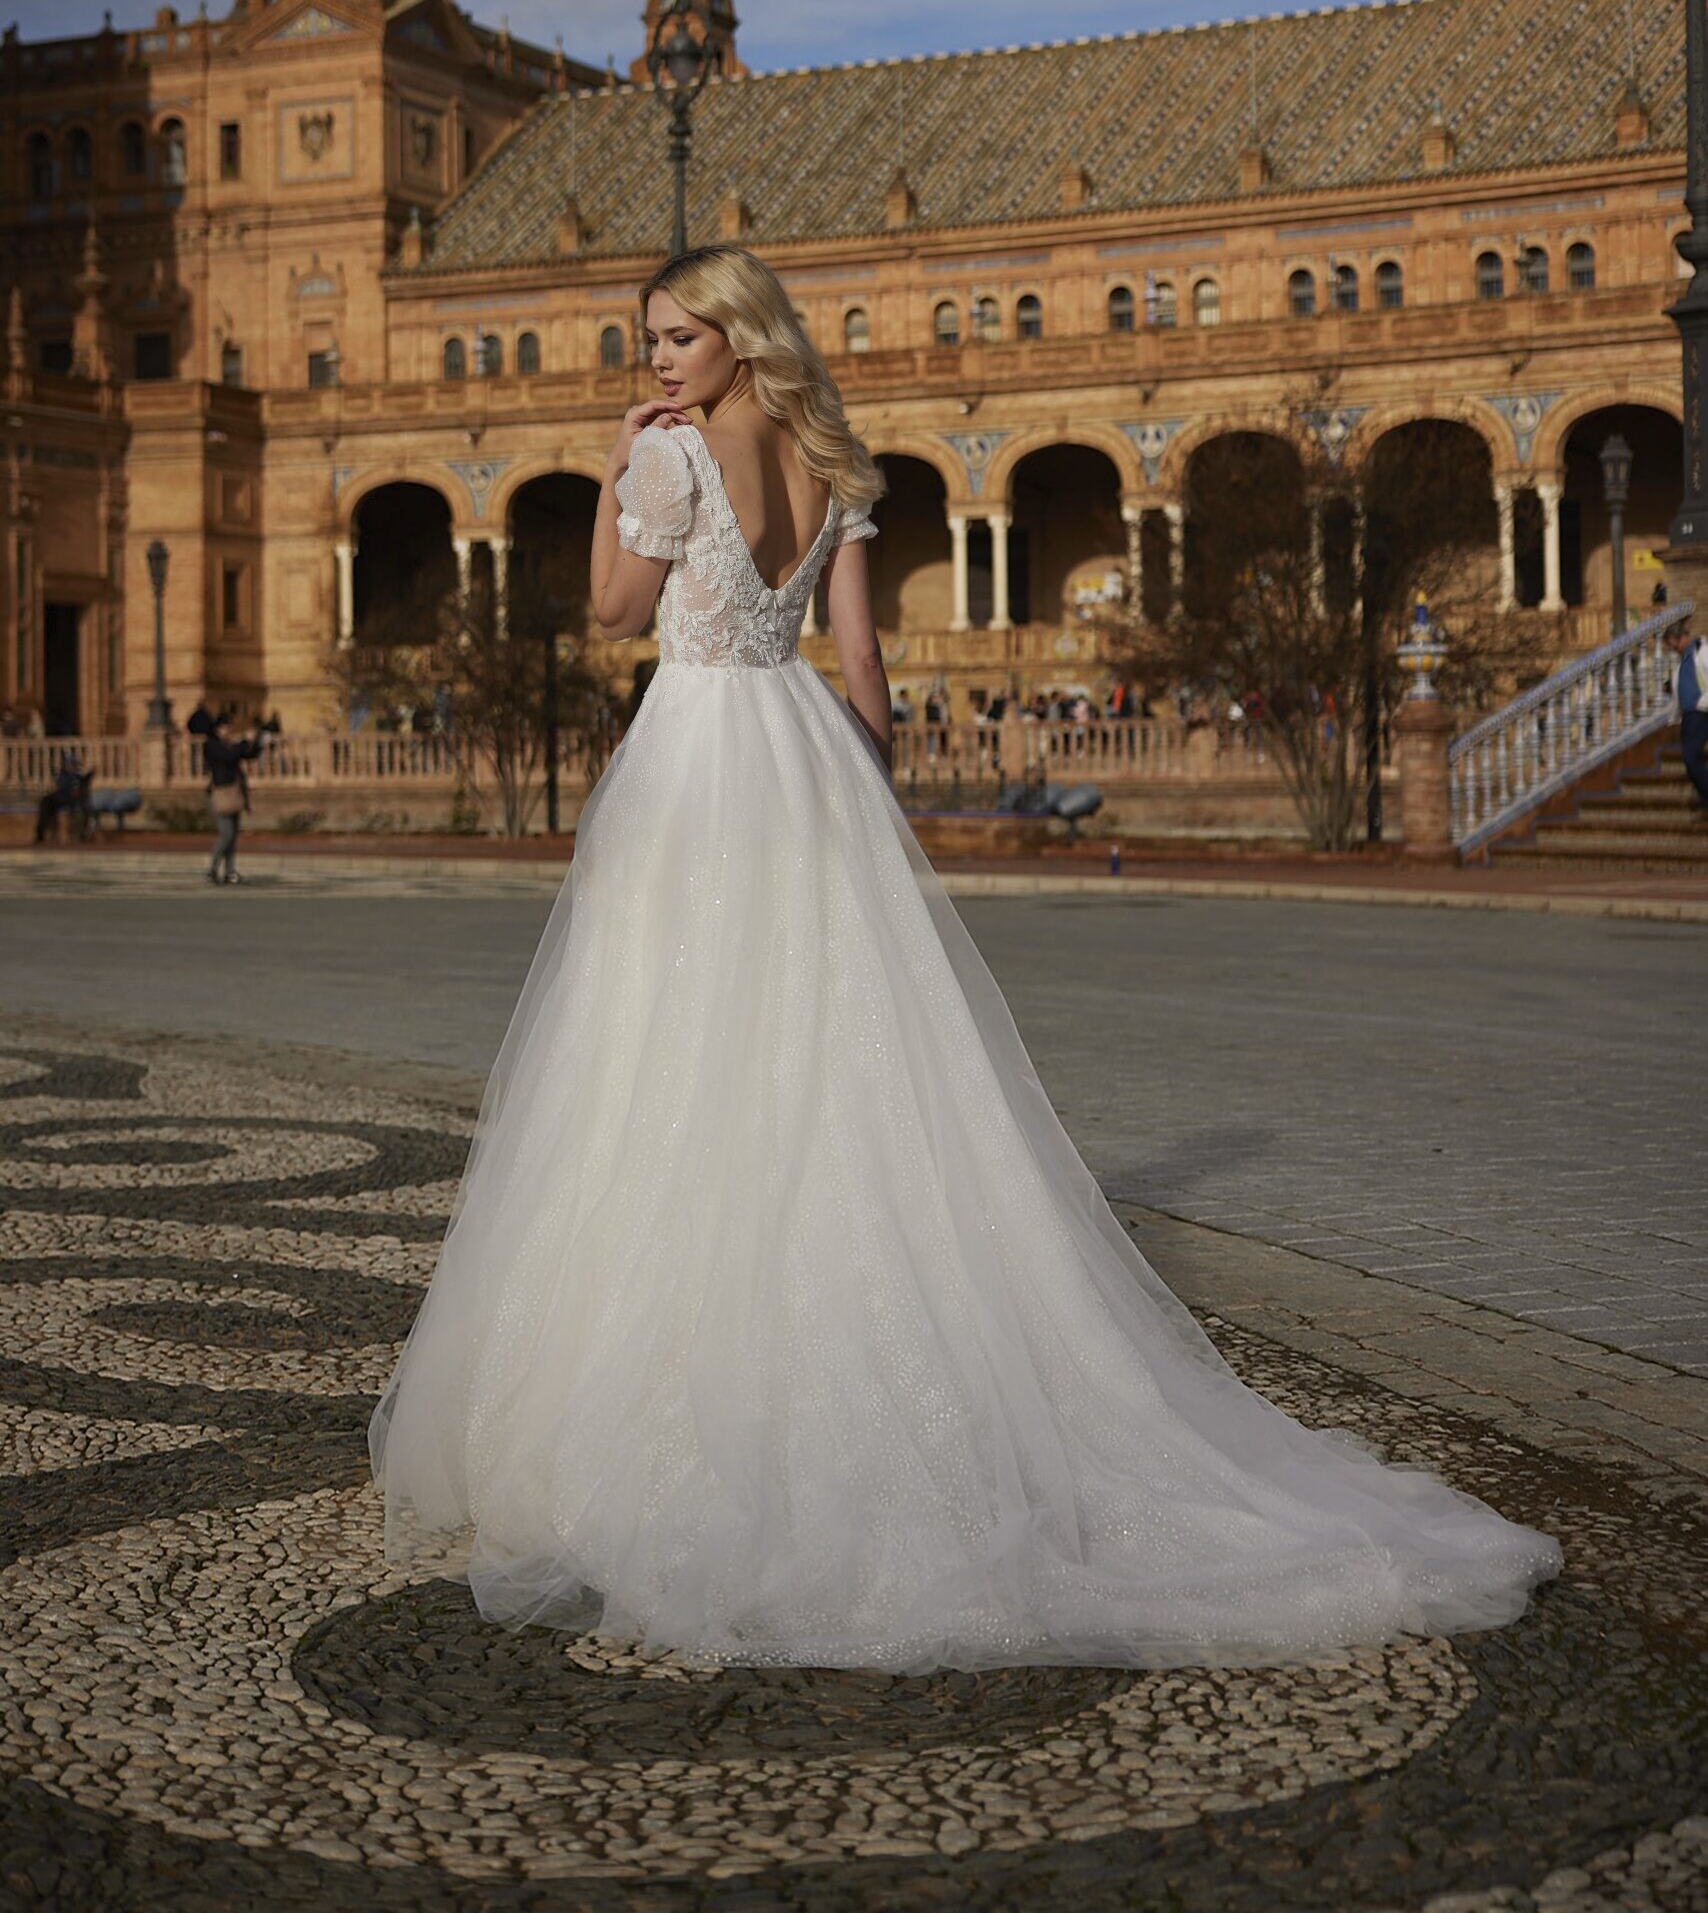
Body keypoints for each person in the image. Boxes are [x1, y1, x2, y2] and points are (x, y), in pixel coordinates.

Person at [368, 242, 1562, 1673]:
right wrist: (863, 804)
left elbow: (619, 616)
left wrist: (618, 461)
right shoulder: (833, 464)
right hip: (801, 753)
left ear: (738, 335)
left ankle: (679, 1374)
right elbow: (864, 665)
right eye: (651, 341)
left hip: (694, 759)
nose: (659, 361)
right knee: (824, 1053)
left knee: (658, 1042)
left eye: (678, 336)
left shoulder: (673, 457)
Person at [201, 708, 265, 884]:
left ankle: (230, 871)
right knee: (226, 834)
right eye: (225, 727)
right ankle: (212, 869)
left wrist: (256, 741)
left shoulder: (230, 744)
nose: (228, 730)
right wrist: (245, 741)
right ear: (217, 729)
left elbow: (248, 754)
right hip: (220, 793)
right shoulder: (212, 745)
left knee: (233, 835)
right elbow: (228, 757)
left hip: (235, 792)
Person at [1663, 617, 1708, 811]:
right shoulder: (1682, 664)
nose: (1673, 648)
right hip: (1688, 717)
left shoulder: (1702, 652)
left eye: (1674, 643)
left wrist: (1701, 702)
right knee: (1689, 759)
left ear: (1683, 638)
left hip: (1701, 712)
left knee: (1690, 757)